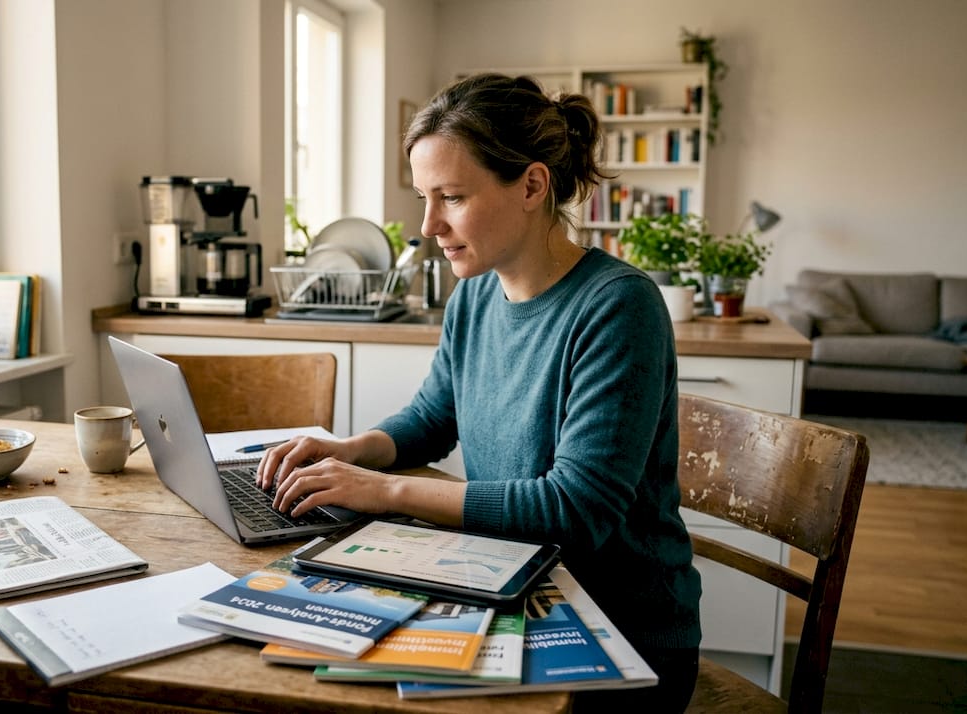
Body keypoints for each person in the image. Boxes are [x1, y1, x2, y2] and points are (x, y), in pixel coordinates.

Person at [257, 72, 700, 711]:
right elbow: (433, 418)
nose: (429, 224)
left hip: (619, 634)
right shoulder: (475, 295)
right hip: (506, 587)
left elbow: (577, 510)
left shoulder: (618, 306)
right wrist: (349, 450)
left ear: (531, 185)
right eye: (424, 197)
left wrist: (385, 491)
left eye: (453, 197)